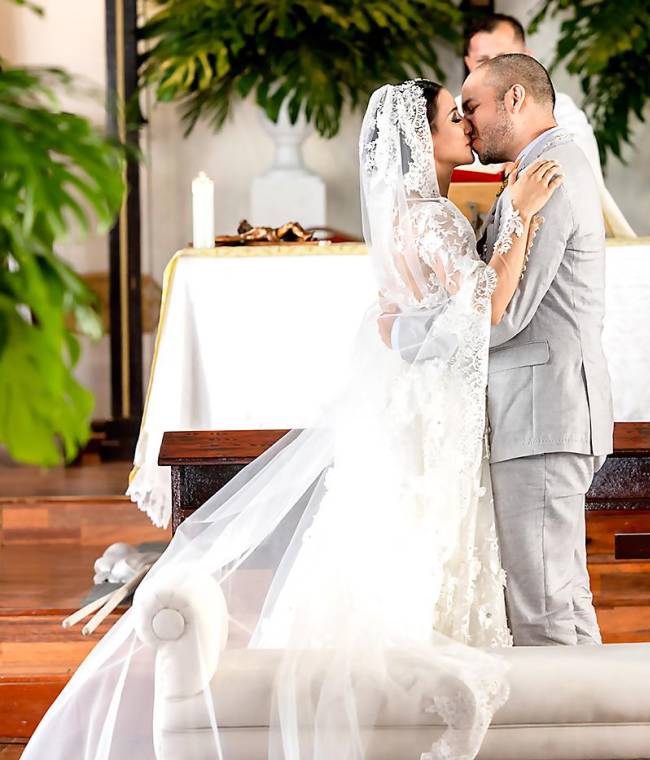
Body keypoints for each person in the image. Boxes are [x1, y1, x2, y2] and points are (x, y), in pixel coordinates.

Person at [21, 79, 565, 760]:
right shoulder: (433, 214)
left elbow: (409, 314)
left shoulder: (406, 212)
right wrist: (516, 217)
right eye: (451, 118)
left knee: (400, 532)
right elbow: (483, 308)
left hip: (412, 400)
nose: (463, 126)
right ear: (422, 138)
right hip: (432, 412)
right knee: (430, 532)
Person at [462, 54, 615, 646]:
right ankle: (597, 735)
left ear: (516, 100)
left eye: (472, 106)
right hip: (543, 411)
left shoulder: (547, 172)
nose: (464, 120)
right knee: (564, 601)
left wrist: (434, 331)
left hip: (541, 413)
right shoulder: (543, 166)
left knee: (541, 611)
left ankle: (565, 738)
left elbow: (508, 314)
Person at [457, 13, 637, 237]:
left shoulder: (559, 109)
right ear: (468, 63)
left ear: (527, 57)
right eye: (483, 61)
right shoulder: (455, 114)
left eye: (504, 58)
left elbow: (573, 161)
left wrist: (523, 166)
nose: (495, 71)